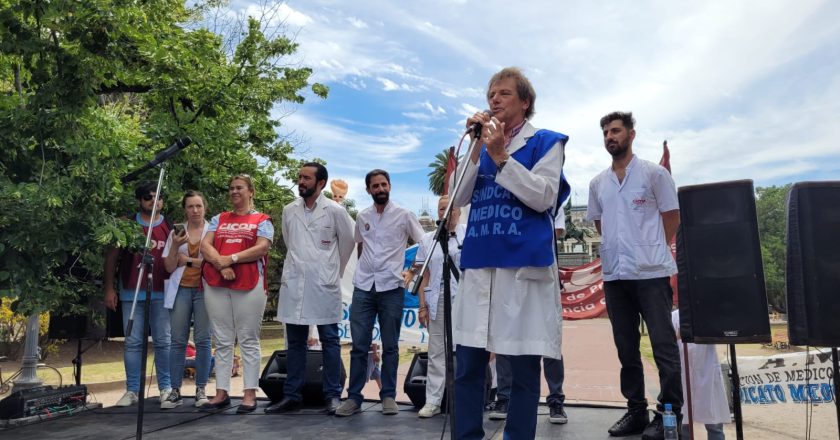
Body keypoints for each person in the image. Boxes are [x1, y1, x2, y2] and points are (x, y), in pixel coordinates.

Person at [451, 67, 567, 440]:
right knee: (468, 365)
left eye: (503, 94)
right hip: (480, 266)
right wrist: (475, 149)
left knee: (521, 369)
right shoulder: (477, 144)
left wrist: (501, 157)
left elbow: (544, 196)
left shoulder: (546, 142)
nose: (494, 100)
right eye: (490, 95)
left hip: (521, 270)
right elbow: (459, 196)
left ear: (524, 102)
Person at [586, 111, 682, 439]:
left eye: (616, 131)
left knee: (662, 345)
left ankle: (669, 414)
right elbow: (601, 225)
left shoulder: (654, 175)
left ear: (631, 134)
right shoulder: (598, 184)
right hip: (615, 276)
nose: (610, 137)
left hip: (652, 273)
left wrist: (649, 246)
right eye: (606, 133)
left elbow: (672, 217)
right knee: (626, 347)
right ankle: (636, 411)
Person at [335, 169, 425, 417]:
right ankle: (354, 398)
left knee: (390, 347)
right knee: (359, 346)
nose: (380, 189)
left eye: (383, 184)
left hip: (391, 288)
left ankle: (388, 396)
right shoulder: (362, 215)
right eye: (375, 186)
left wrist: (411, 272)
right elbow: (360, 242)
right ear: (368, 190)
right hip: (363, 287)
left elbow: (424, 244)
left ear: (390, 186)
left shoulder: (404, 215)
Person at [267, 163, 354, 415]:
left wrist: (330, 272)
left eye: (306, 178)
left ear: (321, 183)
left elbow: (347, 244)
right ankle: (292, 395)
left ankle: (332, 395)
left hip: (323, 285)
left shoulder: (335, 211)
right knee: (295, 342)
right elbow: (289, 240)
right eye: (300, 177)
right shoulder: (288, 210)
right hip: (295, 283)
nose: (301, 181)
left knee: (329, 341)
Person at [200, 174, 273, 413]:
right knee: (222, 339)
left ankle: (249, 394)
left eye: (239, 188)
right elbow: (205, 245)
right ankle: (222, 392)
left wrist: (231, 259)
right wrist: (222, 265)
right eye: (231, 188)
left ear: (251, 191)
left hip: (250, 283)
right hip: (216, 282)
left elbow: (261, 248)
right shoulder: (218, 218)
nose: (234, 192)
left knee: (248, 339)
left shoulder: (262, 220)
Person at [103, 181, 172, 407]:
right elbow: (111, 258)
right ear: (139, 200)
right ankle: (132, 390)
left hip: (161, 292)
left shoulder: (170, 226)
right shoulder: (127, 224)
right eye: (148, 197)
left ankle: (166, 388)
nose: (154, 201)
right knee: (132, 342)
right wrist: (109, 288)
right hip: (132, 292)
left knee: (163, 341)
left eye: (158, 197)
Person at [416, 195, 466, 418]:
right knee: (437, 352)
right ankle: (433, 401)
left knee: (465, 350)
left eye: (448, 208)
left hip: (465, 298)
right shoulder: (428, 239)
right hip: (437, 298)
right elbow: (423, 274)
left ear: (458, 212)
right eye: (440, 209)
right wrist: (423, 306)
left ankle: (465, 400)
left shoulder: (468, 233)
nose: (444, 212)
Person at [161, 190, 211, 409]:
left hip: (204, 290)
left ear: (205, 207)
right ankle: (174, 391)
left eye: (198, 206)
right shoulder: (176, 232)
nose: (195, 210)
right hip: (181, 289)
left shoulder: (213, 231)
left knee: (203, 340)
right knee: (178, 341)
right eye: (190, 206)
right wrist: (174, 246)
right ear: (185, 209)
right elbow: (170, 266)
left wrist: (188, 261)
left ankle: (201, 389)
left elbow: (213, 263)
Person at [672, 310, 730, 440]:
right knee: (684, 424)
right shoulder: (674, 316)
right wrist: (678, 334)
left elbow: (722, 334)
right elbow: (665, 341)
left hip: (707, 372)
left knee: (714, 424)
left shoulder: (707, 314)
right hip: (683, 372)